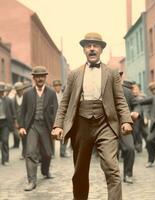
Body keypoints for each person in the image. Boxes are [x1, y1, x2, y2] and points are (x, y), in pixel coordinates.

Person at [51, 32, 133, 200]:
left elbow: (120, 99)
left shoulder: (111, 73)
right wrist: (58, 125)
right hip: (81, 124)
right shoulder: (74, 74)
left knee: (112, 168)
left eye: (96, 46)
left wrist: (126, 120)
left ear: (101, 49)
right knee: (80, 170)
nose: (92, 49)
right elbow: (65, 103)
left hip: (106, 124)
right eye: (88, 46)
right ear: (84, 50)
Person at [19, 66, 58, 191]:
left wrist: (56, 127)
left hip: (46, 127)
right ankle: (32, 181)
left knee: (47, 153)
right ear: (34, 78)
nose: (40, 78)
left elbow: (56, 111)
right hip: (32, 126)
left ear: (45, 77)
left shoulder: (51, 93)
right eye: (37, 76)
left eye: (42, 76)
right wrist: (21, 126)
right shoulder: (27, 93)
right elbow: (22, 111)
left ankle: (45, 171)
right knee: (30, 152)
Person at [0, 82, 15, 166]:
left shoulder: (8, 100)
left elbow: (13, 113)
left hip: (5, 122)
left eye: (2, 91)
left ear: (4, 91)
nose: (0, 93)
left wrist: (13, 124)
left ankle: (5, 159)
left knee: (5, 140)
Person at [52, 79, 70, 158]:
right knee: (52, 135)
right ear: (54, 87)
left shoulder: (64, 95)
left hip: (63, 118)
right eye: (56, 86)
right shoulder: (51, 95)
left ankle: (63, 152)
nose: (57, 88)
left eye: (58, 86)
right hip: (53, 118)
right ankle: (51, 153)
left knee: (64, 135)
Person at [12, 82, 26, 159]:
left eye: (20, 90)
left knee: (27, 137)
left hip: (26, 121)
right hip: (18, 121)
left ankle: (26, 152)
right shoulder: (13, 99)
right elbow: (13, 112)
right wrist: (15, 122)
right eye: (17, 90)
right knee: (21, 137)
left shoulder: (26, 97)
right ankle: (24, 152)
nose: (19, 91)